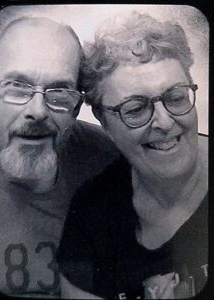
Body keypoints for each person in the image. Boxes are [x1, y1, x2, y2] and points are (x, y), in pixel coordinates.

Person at [58, 11, 208, 299]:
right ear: (104, 123)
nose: (164, 122)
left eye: (176, 97)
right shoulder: (92, 214)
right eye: (136, 109)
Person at [0, 16, 119, 297]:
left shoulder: (112, 162)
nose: (37, 110)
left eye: (59, 92)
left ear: (75, 108)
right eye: (16, 86)